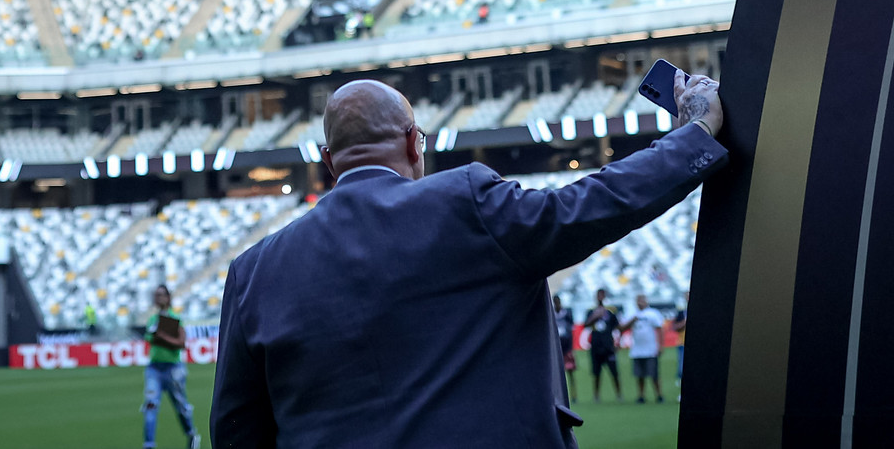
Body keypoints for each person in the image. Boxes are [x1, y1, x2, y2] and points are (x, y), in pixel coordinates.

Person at [212, 72, 725, 448]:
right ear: (415, 143)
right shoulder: (465, 201)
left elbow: (236, 431)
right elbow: (593, 204)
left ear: (329, 160)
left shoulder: (252, 271)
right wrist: (694, 133)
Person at [144, 283, 200, 449]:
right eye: (156, 294)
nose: (158, 298)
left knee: (181, 406)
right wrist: (162, 338)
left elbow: (181, 343)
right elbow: (150, 339)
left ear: (168, 298)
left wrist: (161, 337)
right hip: (154, 368)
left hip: (174, 368)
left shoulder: (176, 319)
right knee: (150, 405)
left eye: (161, 294)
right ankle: (148, 445)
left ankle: (192, 434)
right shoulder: (152, 320)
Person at [622, 293, 665, 403]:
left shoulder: (653, 313)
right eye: (638, 300)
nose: (640, 302)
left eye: (642, 300)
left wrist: (660, 345)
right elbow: (622, 328)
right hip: (637, 349)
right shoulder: (632, 314)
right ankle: (641, 395)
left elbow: (659, 330)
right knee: (639, 375)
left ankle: (659, 395)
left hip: (651, 349)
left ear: (646, 301)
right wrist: (633, 320)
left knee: (654, 374)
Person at [585, 290, 623, 401]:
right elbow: (586, 324)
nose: (600, 297)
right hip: (596, 346)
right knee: (596, 373)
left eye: (602, 295)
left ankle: (619, 394)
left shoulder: (610, 311)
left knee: (614, 372)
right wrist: (595, 316)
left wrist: (618, 343)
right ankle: (596, 395)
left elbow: (618, 327)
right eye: (598, 295)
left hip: (608, 347)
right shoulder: (591, 311)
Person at [554, 295, 577, 403]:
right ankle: (558, 396)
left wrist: (571, 348)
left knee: (570, 373)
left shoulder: (567, 314)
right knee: (557, 374)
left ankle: (574, 395)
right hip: (557, 349)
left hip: (567, 348)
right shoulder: (552, 314)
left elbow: (571, 331)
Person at [671, 289, 688, 384]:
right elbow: (675, 327)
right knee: (681, 366)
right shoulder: (681, 312)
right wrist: (684, 323)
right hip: (682, 342)